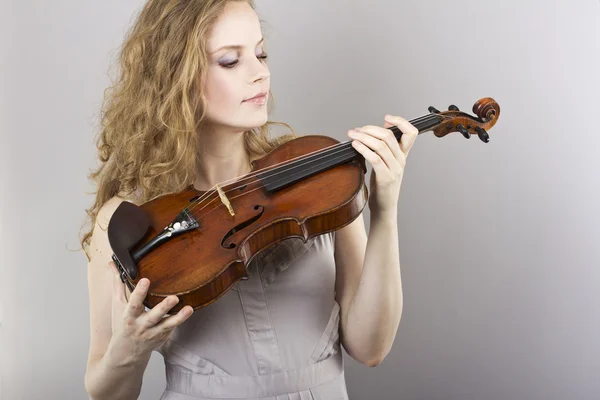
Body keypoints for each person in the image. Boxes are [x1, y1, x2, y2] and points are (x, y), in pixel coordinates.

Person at [80, 0, 418, 399]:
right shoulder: (128, 220)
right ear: (175, 76)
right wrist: (129, 350)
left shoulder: (317, 182)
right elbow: (105, 393)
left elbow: (370, 347)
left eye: (260, 54)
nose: (261, 73)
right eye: (229, 61)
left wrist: (385, 208)